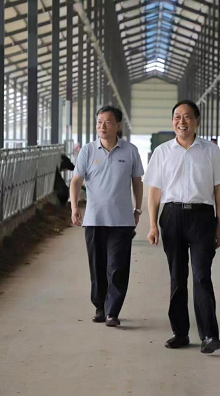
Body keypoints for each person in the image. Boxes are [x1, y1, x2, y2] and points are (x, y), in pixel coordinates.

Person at [145, 100, 220, 354]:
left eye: (187, 117)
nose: (181, 122)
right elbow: (154, 191)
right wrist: (152, 225)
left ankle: (209, 335)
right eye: (177, 117)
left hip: (202, 217)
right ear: (172, 121)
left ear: (197, 121)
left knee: (202, 276)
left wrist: (219, 225)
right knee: (177, 277)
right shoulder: (162, 152)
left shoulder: (211, 151)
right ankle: (180, 332)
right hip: (172, 216)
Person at [70, 105, 144, 327]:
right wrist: (74, 206)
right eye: (99, 122)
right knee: (97, 266)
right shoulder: (88, 151)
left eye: (108, 122)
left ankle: (113, 311)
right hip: (94, 219)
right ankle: (100, 307)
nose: (102, 126)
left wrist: (138, 209)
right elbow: (76, 180)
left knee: (118, 266)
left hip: (122, 220)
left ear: (118, 125)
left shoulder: (130, 151)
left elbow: (137, 181)